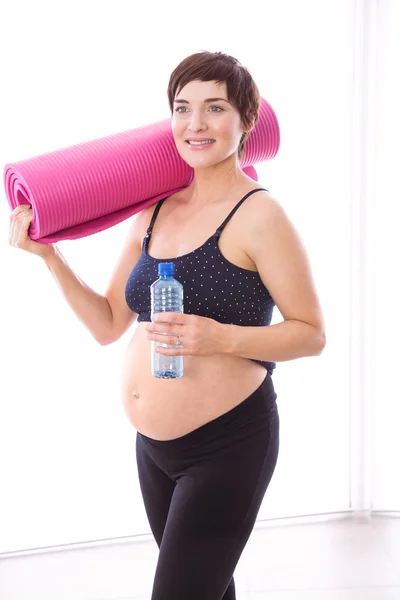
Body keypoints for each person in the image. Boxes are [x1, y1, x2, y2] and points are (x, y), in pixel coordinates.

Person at [9, 51, 326, 600]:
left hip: (229, 443)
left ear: (246, 120)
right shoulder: (153, 211)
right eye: (183, 108)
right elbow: (109, 324)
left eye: (214, 107)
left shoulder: (260, 215)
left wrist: (221, 337)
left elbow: (310, 332)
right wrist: (51, 258)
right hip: (153, 450)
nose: (196, 124)